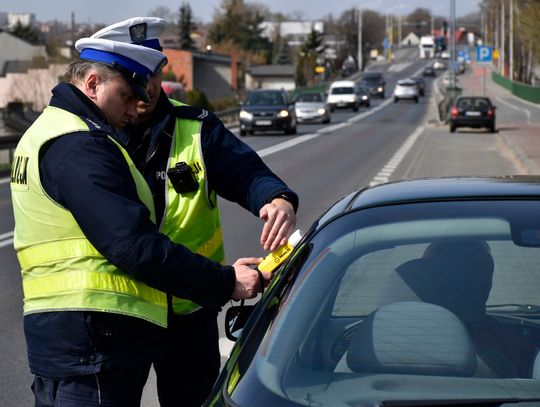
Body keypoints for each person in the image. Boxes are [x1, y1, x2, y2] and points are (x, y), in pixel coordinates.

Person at [10, 20, 295, 407]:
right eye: (130, 93)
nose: (139, 102)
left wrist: (275, 197)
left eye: (151, 84)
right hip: (107, 324)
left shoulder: (191, 128)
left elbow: (245, 172)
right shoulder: (87, 141)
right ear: (93, 84)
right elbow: (131, 243)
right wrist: (226, 282)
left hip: (179, 307)